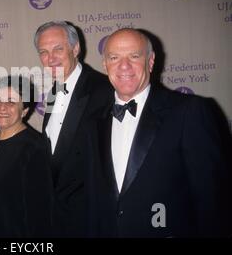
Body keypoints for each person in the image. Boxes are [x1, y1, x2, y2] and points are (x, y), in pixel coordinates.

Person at [97, 28, 232, 237]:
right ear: (105, 65)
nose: (124, 65)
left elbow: (213, 200)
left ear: (150, 61)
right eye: (114, 57)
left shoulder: (190, 111)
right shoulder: (94, 120)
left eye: (134, 56)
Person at [34, 21, 112, 237]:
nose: (51, 58)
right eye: (44, 52)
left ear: (75, 48)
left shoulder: (104, 90)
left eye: (58, 49)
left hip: (91, 217)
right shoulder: (52, 93)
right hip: (58, 218)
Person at [0, 75, 53, 237]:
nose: (2, 107)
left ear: (25, 110)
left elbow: (40, 216)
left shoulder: (34, 148)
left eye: (11, 102)